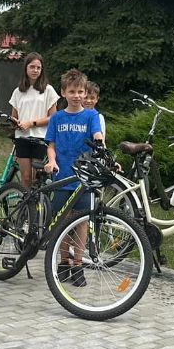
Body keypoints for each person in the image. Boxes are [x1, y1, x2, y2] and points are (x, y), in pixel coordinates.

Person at [44, 69, 104, 286]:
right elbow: (51, 144)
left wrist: (100, 142)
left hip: (84, 178)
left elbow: (98, 135)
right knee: (63, 221)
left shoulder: (91, 116)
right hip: (63, 177)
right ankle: (63, 262)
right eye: (72, 91)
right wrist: (51, 161)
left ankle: (77, 264)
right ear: (63, 93)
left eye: (80, 91)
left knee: (81, 222)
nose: (77, 95)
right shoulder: (57, 118)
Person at [8, 53, 57, 189]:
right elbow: (14, 116)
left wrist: (31, 123)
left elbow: (53, 117)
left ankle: (36, 208)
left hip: (40, 138)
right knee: (25, 177)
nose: (35, 70)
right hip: (22, 138)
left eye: (38, 68)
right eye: (32, 67)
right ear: (26, 68)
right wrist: (15, 123)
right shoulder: (18, 92)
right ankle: (25, 207)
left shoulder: (48, 90)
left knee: (36, 177)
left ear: (42, 70)